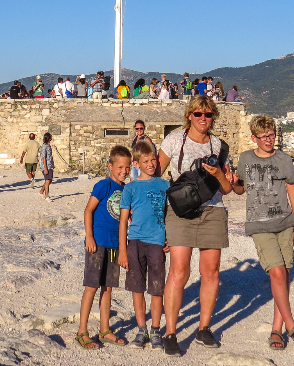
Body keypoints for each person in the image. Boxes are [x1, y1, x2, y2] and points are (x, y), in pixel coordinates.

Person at [232, 115, 294, 350]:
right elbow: (240, 189)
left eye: (272, 135)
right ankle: (292, 326)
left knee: (285, 274)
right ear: (254, 138)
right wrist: (231, 181)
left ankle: (276, 328)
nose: (269, 140)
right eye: (264, 137)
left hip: (284, 223)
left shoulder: (283, 159)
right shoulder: (246, 159)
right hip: (259, 225)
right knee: (277, 272)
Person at [158, 95, 234, 355]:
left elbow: (227, 189)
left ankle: (204, 328)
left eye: (209, 114)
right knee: (179, 272)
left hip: (213, 211)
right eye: (199, 114)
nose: (204, 118)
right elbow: (155, 178)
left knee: (211, 272)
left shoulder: (220, 147)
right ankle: (170, 332)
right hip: (181, 212)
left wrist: (219, 174)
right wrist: (157, 221)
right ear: (189, 115)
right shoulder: (173, 140)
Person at [75, 146, 131, 349]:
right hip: (97, 242)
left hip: (115, 244)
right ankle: (82, 331)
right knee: (91, 286)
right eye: (119, 167)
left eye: (127, 167)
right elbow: (88, 210)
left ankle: (105, 329)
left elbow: (127, 218)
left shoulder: (126, 190)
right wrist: (89, 236)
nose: (123, 171)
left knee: (108, 288)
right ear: (110, 166)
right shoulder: (103, 185)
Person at [118, 141, 169, 350]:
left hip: (157, 242)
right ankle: (141, 329)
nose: (150, 164)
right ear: (137, 163)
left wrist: (170, 238)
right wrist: (123, 249)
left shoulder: (164, 185)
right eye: (146, 161)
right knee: (137, 288)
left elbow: (172, 215)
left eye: (153, 160)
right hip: (136, 242)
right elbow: (123, 221)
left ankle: (156, 330)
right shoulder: (130, 188)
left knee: (157, 288)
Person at [39, 132, 55, 201]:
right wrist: (45, 168)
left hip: (50, 165)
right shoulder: (44, 147)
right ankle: (47, 196)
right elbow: (43, 158)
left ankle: (41, 191)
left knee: (50, 180)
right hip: (46, 166)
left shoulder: (49, 146)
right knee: (47, 180)